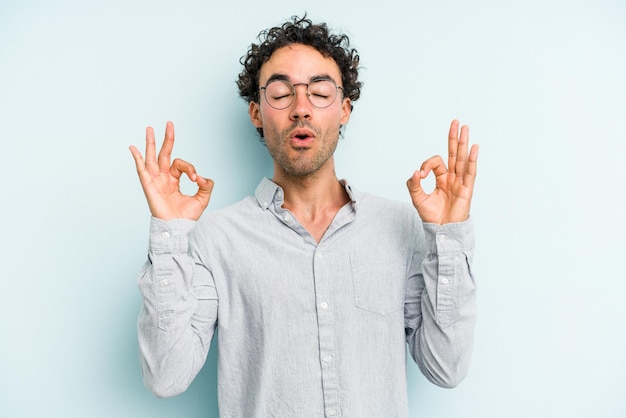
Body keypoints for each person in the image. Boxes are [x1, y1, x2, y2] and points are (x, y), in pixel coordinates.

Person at [129, 15, 479, 418]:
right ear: (257, 113)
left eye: (319, 91)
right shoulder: (216, 239)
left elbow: (446, 367)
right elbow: (165, 376)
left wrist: (448, 237)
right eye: (280, 93)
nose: (300, 109)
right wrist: (170, 235)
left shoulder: (399, 228)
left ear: (344, 109)